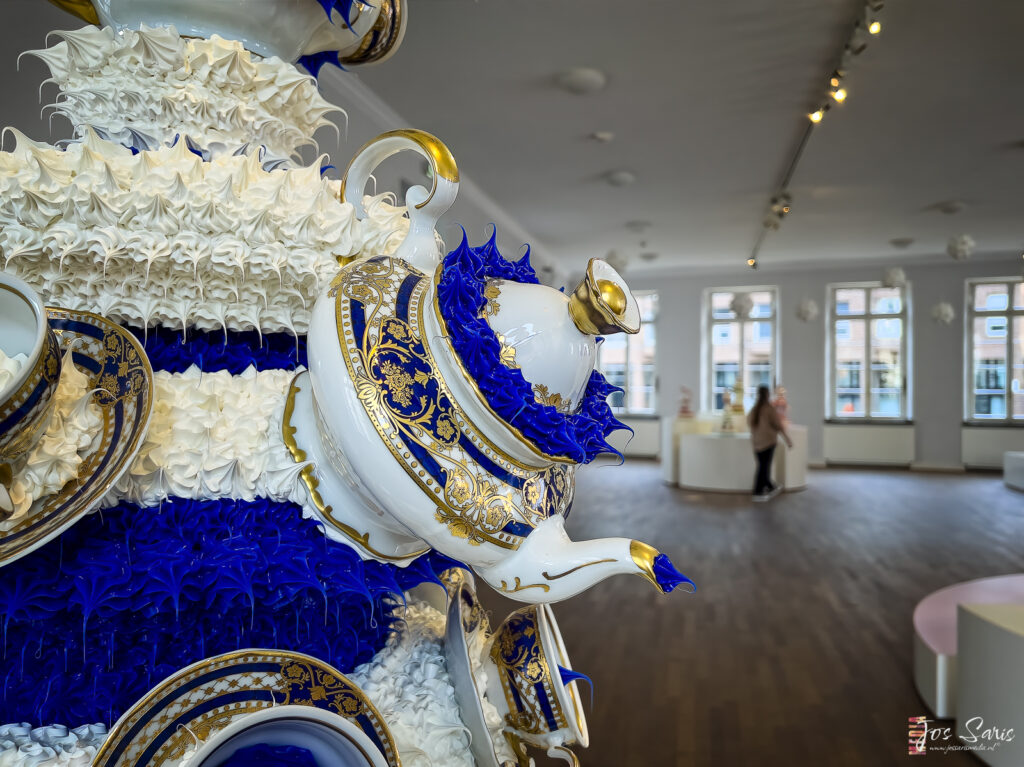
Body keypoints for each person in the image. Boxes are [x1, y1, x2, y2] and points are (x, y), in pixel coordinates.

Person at [747, 385, 792, 501]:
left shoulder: (754, 409)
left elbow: (750, 424)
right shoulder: (769, 409)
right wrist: (787, 439)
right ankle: (758, 491)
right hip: (768, 442)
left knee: (762, 466)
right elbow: (778, 425)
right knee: (764, 467)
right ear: (767, 395)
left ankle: (770, 486)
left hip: (756, 442)